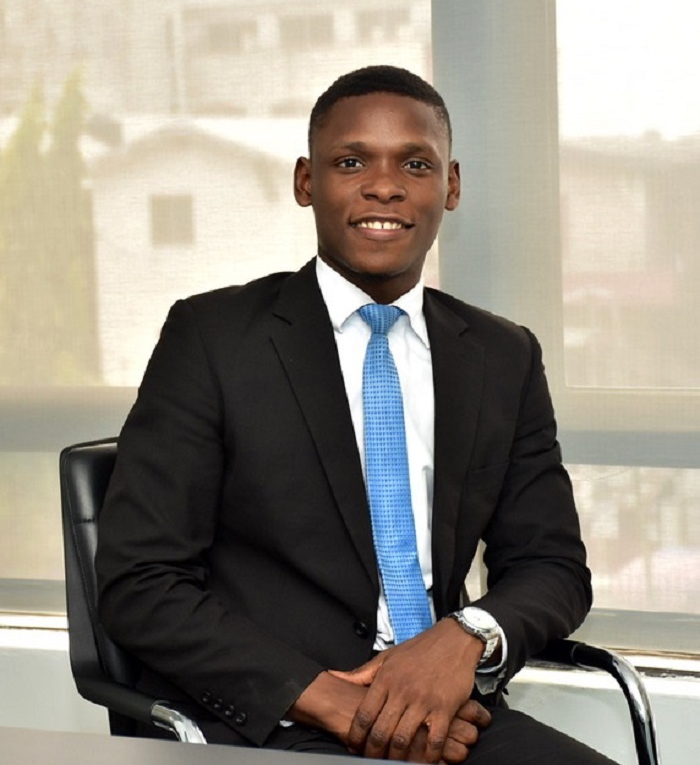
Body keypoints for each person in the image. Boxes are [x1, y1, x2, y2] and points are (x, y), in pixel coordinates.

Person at [96, 65, 617, 764]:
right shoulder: (212, 339)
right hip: (276, 720)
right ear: (306, 181)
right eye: (351, 162)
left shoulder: (503, 355)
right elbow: (142, 584)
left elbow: (552, 566)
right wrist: (332, 700)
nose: (384, 186)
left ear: (451, 185)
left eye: (414, 164)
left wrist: (462, 638)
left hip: (447, 712)